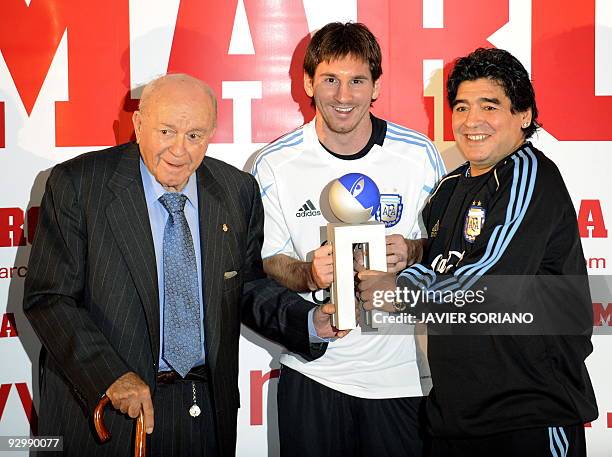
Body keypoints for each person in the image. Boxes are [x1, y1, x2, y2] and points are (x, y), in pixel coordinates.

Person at [23, 73, 342, 457]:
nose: (179, 150)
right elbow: (50, 298)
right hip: (109, 413)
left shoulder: (236, 190)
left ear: (211, 134)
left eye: (195, 135)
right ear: (138, 125)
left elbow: (246, 287)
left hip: (205, 411)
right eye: (166, 131)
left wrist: (308, 321)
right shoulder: (78, 184)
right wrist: (110, 376)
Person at [358, 48, 598, 457]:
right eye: (462, 107)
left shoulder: (529, 174)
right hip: (455, 416)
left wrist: (397, 291)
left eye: (490, 106)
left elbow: (488, 276)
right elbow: (448, 261)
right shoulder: (448, 188)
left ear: (524, 115)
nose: (472, 121)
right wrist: (412, 253)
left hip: (527, 416)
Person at [251, 22, 444, 457]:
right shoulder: (274, 164)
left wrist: (412, 250)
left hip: (402, 377)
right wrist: (306, 273)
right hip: (315, 374)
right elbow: (263, 260)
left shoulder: (417, 155)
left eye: (357, 81)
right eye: (330, 80)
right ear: (307, 83)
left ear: (376, 86)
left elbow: (450, 253)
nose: (343, 96)